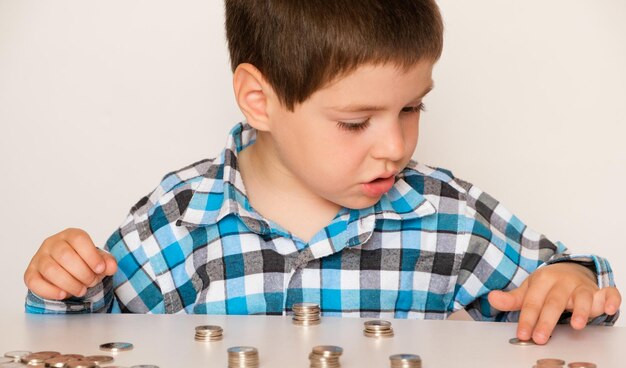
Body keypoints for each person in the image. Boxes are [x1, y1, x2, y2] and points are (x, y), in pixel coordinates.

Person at [23, 0, 620, 345]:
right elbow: (83, 341)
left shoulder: (445, 215)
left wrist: (568, 282)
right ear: (260, 101)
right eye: (357, 121)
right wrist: (63, 281)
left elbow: (566, 285)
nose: (395, 146)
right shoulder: (183, 220)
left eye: (412, 108)